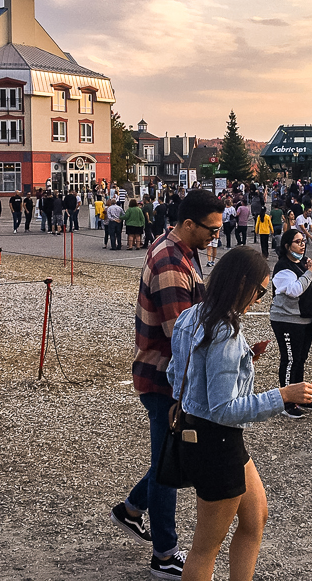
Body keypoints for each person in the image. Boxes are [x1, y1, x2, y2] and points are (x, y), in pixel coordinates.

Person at [167, 247, 312, 581]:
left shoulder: (189, 316)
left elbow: (175, 375)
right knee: (205, 548)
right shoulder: (226, 331)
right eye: (261, 291)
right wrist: (284, 395)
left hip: (204, 436)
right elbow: (225, 409)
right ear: (241, 284)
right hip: (216, 442)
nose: (261, 300)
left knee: (255, 516)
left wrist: (242, 361)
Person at [110, 189, 223, 581]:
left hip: (165, 373)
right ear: (188, 224)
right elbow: (183, 336)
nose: (216, 237)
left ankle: (130, 510)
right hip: (165, 378)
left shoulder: (179, 248)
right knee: (168, 467)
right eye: (212, 229)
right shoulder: (171, 263)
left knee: (169, 457)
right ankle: (164, 554)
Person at [270, 230, 312, 419]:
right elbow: (294, 290)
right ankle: (286, 401)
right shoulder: (282, 268)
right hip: (286, 320)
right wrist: (309, 273)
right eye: (297, 242)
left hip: (305, 319)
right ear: (287, 246)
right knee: (289, 360)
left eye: (303, 241)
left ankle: (299, 396)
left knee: (300, 358)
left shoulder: (303, 264)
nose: (302, 245)